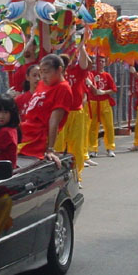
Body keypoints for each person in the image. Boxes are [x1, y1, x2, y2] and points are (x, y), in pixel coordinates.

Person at [18, 54, 74, 169]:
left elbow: (54, 121)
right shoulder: (43, 84)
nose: (42, 77)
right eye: (41, 72)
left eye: (46, 72)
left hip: (37, 139)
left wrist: (50, 149)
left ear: (59, 70)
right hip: (25, 130)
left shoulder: (63, 88)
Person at [54, 47, 90, 179]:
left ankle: (76, 175)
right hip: (61, 113)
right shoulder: (56, 75)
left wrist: (82, 46)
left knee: (77, 146)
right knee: (58, 145)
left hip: (76, 112)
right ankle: (58, 175)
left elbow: (84, 63)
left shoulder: (77, 71)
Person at [86, 56, 117, 157]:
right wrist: (92, 84)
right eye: (99, 61)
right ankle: (92, 149)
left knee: (109, 126)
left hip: (105, 102)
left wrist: (104, 92)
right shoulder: (91, 74)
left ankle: (110, 148)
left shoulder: (107, 75)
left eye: (103, 61)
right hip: (93, 102)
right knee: (93, 127)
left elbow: (113, 89)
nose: (101, 63)